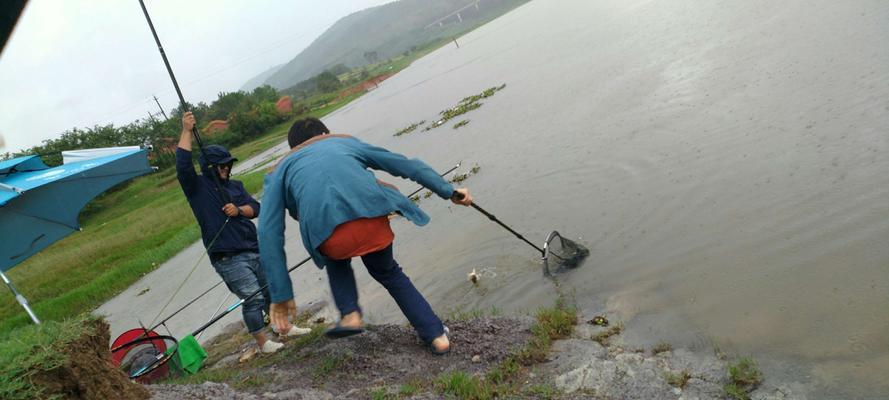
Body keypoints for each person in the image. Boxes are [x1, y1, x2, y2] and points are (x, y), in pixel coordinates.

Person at [259, 117, 472, 355]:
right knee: (389, 273)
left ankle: (350, 314)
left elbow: (268, 230)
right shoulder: (344, 143)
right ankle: (436, 335)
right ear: (326, 133)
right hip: (372, 220)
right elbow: (406, 165)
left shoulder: (280, 171)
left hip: (330, 239)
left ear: (293, 148)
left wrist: (280, 293)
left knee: (336, 262)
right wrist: (449, 191)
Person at [176, 112, 309, 354]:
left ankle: (284, 328)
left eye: (228, 164)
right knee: (253, 298)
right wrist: (186, 131)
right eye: (222, 165)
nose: (227, 167)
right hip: (227, 256)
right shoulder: (197, 187)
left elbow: (256, 208)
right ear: (210, 167)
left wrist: (238, 210)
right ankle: (262, 343)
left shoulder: (235, 186)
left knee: (272, 292)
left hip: (254, 247)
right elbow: (183, 165)